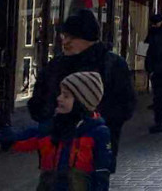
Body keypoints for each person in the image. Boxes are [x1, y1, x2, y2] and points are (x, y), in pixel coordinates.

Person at [28, 9, 135, 171]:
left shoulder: (112, 64)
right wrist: (49, 118)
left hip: (93, 153)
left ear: (88, 38)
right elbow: (39, 100)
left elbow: (125, 106)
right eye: (64, 36)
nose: (65, 42)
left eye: (71, 37)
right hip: (55, 151)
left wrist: (91, 123)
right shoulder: (56, 65)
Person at [0, 71, 112, 191]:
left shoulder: (97, 132)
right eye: (60, 94)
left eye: (66, 96)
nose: (59, 98)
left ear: (81, 102)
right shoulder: (54, 125)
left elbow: (102, 171)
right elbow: (33, 139)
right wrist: (9, 140)